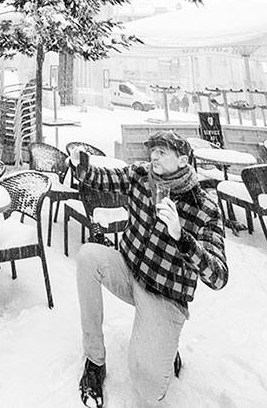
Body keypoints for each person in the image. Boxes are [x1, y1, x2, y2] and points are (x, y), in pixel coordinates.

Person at [73, 130, 228, 408]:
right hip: (129, 270)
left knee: (148, 388)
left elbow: (218, 277)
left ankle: (164, 348)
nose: (153, 156)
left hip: (164, 295)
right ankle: (95, 360)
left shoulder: (204, 207)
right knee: (88, 257)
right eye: (152, 150)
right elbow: (106, 179)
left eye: (162, 152)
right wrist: (81, 165)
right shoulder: (142, 175)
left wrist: (183, 238)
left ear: (182, 161)